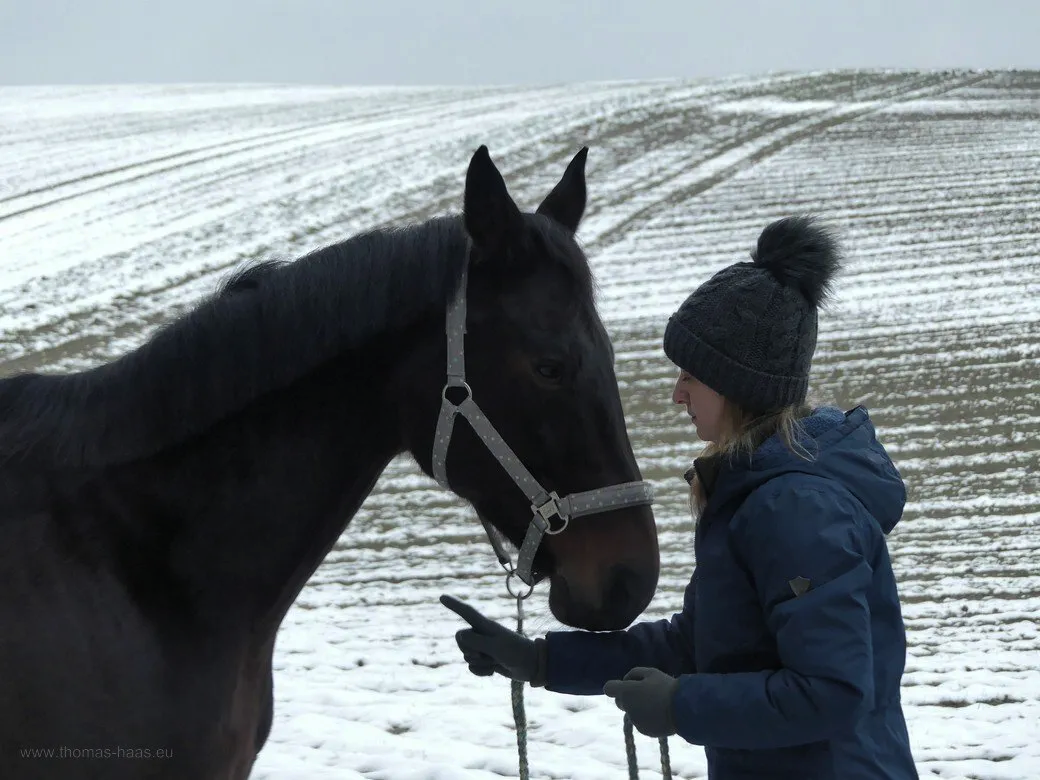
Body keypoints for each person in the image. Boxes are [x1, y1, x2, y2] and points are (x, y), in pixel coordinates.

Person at [440, 215, 919, 779]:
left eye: (691, 374)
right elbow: (696, 646)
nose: (676, 393)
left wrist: (681, 706)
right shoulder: (756, 494)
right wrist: (540, 660)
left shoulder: (796, 509)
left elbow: (833, 692)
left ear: (738, 383)